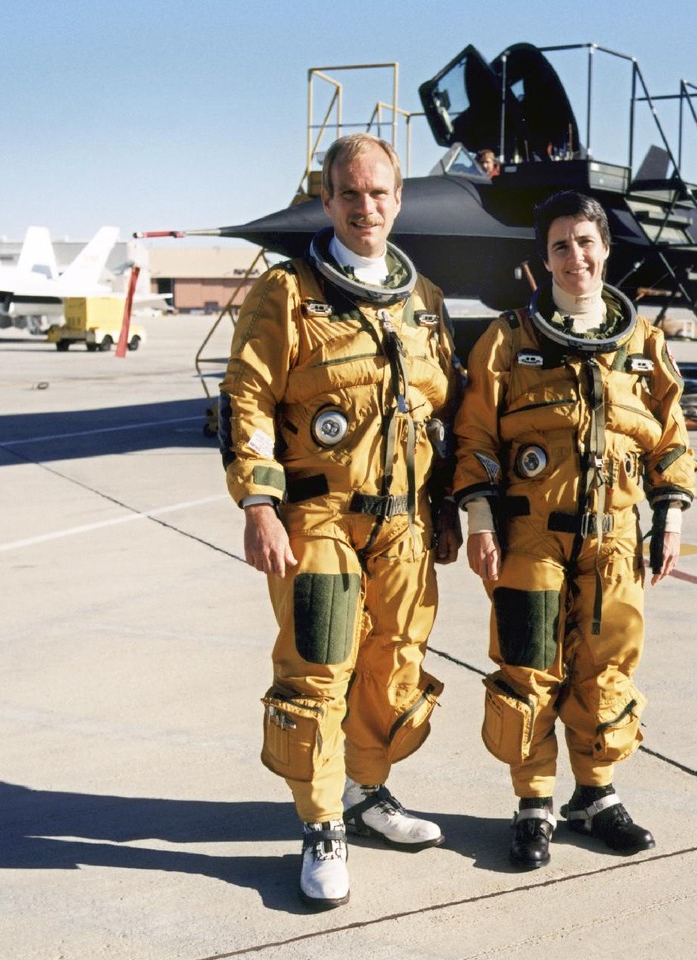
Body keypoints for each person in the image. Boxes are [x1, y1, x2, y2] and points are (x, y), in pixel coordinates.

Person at [218, 132, 462, 910]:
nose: (365, 207)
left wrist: (448, 507)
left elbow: (442, 413)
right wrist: (258, 503)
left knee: (393, 666)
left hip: (406, 525)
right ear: (327, 200)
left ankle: (365, 791)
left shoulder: (424, 301)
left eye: (378, 193)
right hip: (318, 516)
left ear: (398, 200)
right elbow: (247, 399)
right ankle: (322, 824)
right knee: (319, 668)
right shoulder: (286, 294)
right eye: (350, 193)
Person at [453, 190, 696, 870]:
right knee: (528, 670)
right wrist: (480, 521)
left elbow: (671, 440)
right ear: (545, 257)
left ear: (606, 250)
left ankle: (595, 795)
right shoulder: (509, 340)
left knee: (606, 672)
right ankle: (534, 804)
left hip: (616, 538)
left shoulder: (644, 345)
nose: (575, 257)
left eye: (586, 242)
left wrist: (669, 518)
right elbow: (474, 435)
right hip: (530, 537)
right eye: (560, 245)